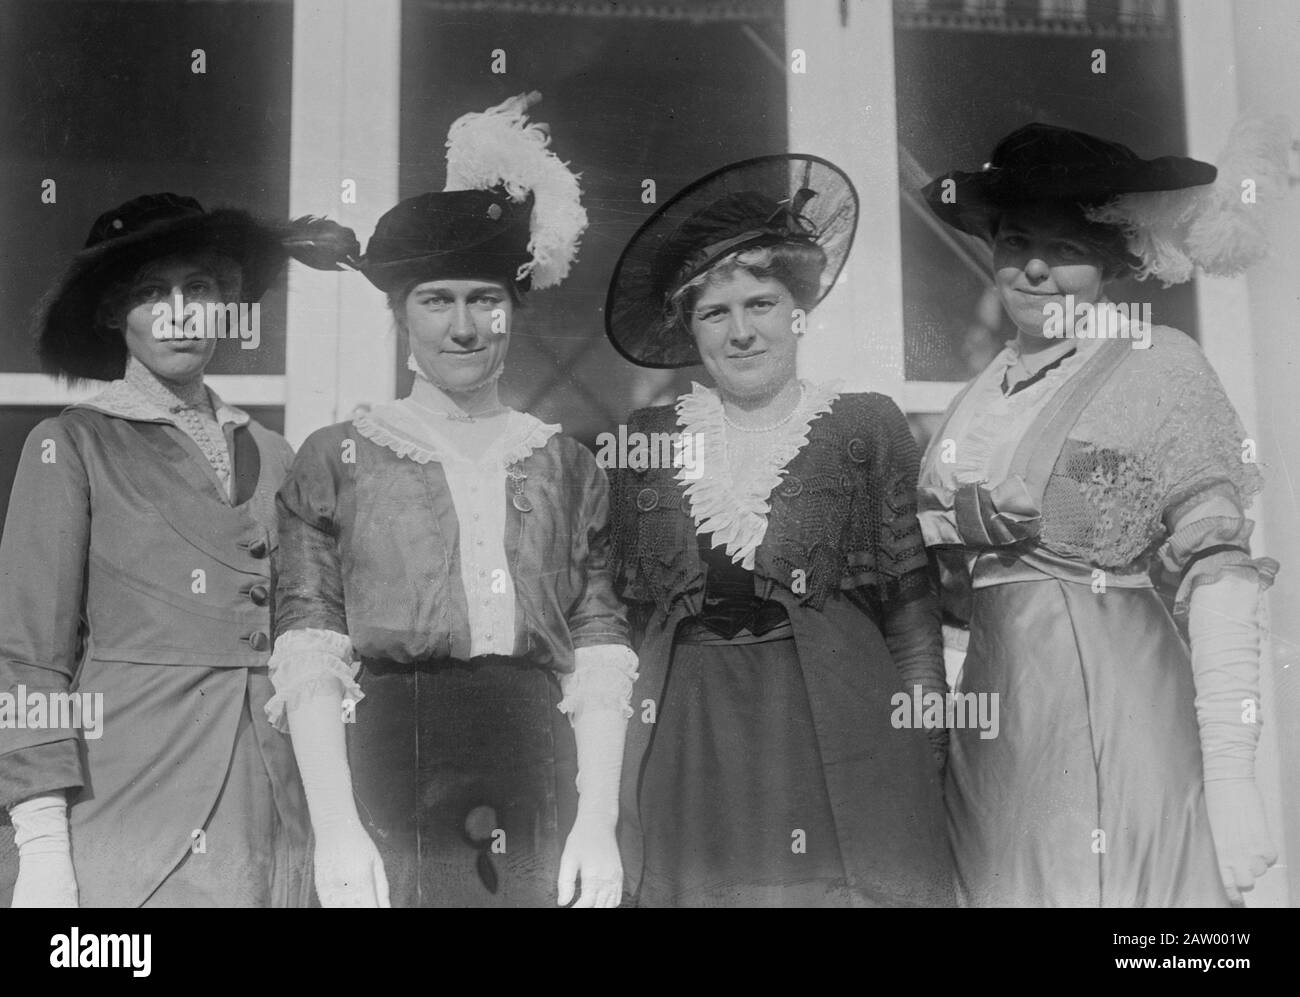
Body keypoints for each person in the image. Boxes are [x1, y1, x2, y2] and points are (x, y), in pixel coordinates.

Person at [268, 92, 637, 908]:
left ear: (513, 311)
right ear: (402, 316)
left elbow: (601, 646)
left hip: (535, 763)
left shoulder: (566, 465)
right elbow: (309, 641)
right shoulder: (338, 456)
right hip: (387, 768)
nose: (464, 326)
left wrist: (597, 821)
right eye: (437, 301)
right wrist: (335, 826)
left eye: (486, 300)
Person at [918, 122, 1282, 907]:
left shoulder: (1160, 363)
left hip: (1116, 706)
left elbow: (1218, 571)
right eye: (1017, 240)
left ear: (1115, 260)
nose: (1037, 268)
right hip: (999, 740)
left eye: (1066, 246)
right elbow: (951, 599)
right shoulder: (977, 399)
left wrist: (1229, 774)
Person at [604, 155, 954, 907]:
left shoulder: (867, 423)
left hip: (845, 733)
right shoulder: (648, 438)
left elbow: (912, 616)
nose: (741, 332)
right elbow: (625, 624)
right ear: (688, 326)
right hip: (690, 742)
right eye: (714, 312)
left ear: (797, 309)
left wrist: (922, 756)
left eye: (760, 304)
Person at [0, 193, 356, 907]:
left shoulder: (276, 455)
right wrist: (40, 843)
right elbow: (28, 659)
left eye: (199, 289)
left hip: (271, 803)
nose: (180, 311)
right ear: (111, 313)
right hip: (131, 799)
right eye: (150, 293)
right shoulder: (70, 445)